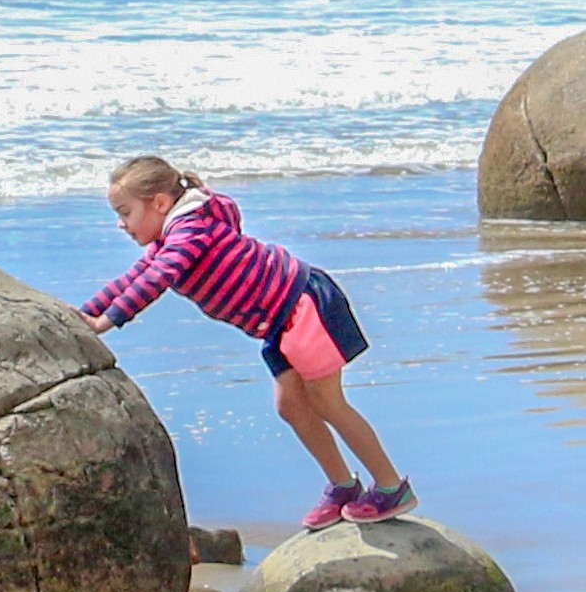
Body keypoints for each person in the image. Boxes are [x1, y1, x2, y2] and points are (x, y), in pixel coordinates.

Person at [82, 156, 415, 530]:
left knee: (327, 402)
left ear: (160, 203)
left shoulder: (190, 232)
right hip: (277, 323)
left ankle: (391, 487)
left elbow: (156, 280)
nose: (121, 224)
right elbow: (133, 277)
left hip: (303, 305)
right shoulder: (170, 239)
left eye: (125, 212)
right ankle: (343, 486)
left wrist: (107, 322)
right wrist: (86, 314)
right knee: (291, 406)